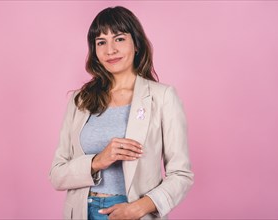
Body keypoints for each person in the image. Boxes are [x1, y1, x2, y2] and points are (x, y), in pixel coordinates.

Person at [49, 6, 194, 220]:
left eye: (118, 39)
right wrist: (98, 161)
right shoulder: (80, 100)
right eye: (101, 42)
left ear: (136, 44)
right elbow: (57, 175)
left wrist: (139, 208)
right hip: (81, 211)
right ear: (95, 51)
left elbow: (181, 175)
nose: (110, 50)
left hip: (132, 212)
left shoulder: (162, 97)